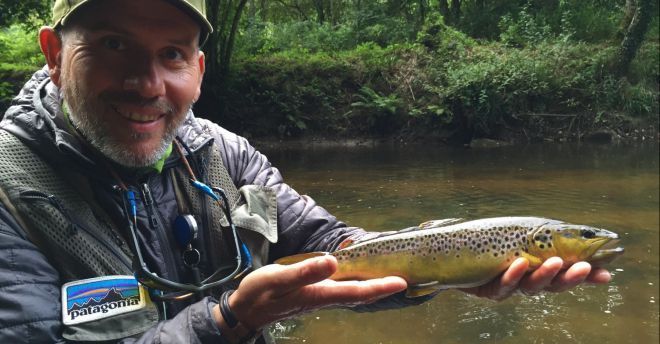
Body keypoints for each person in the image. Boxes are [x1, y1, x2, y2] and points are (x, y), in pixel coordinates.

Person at [0, 0, 612, 343]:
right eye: (112, 45)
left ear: (200, 70)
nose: (147, 83)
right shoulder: (9, 189)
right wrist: (227, 320)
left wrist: (451, 273)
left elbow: (334, 249)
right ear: (54, 54)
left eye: (172, 55)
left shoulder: (226, 156)